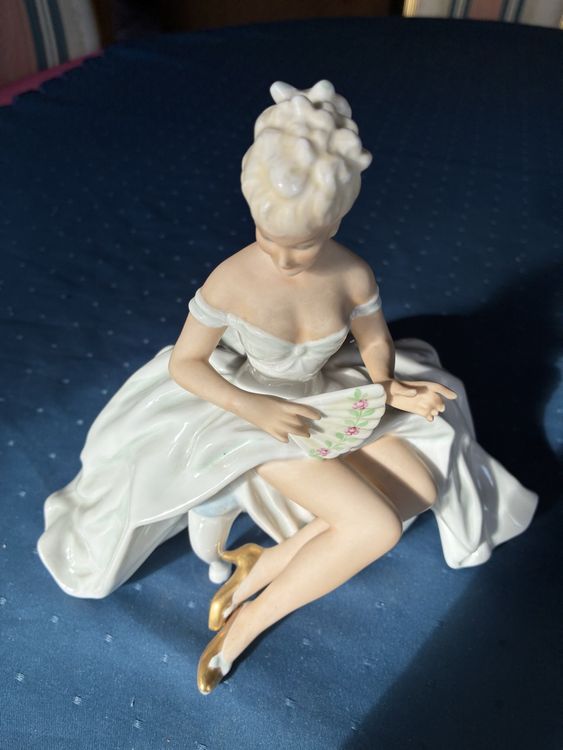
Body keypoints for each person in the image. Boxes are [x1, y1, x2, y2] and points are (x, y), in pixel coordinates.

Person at [36, 80, 539, 695]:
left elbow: (374, 340)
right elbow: (186, 364)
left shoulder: (352, 274)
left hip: (327, 398)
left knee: (421, 485)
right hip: (249, 418)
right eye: (267, 235)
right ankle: (242, 626)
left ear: (335, 221)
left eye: (302, 244)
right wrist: (256, 408)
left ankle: (262, 565)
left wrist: (389, 387)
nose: (282, 257)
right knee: (374, 527)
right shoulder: (232, 279)